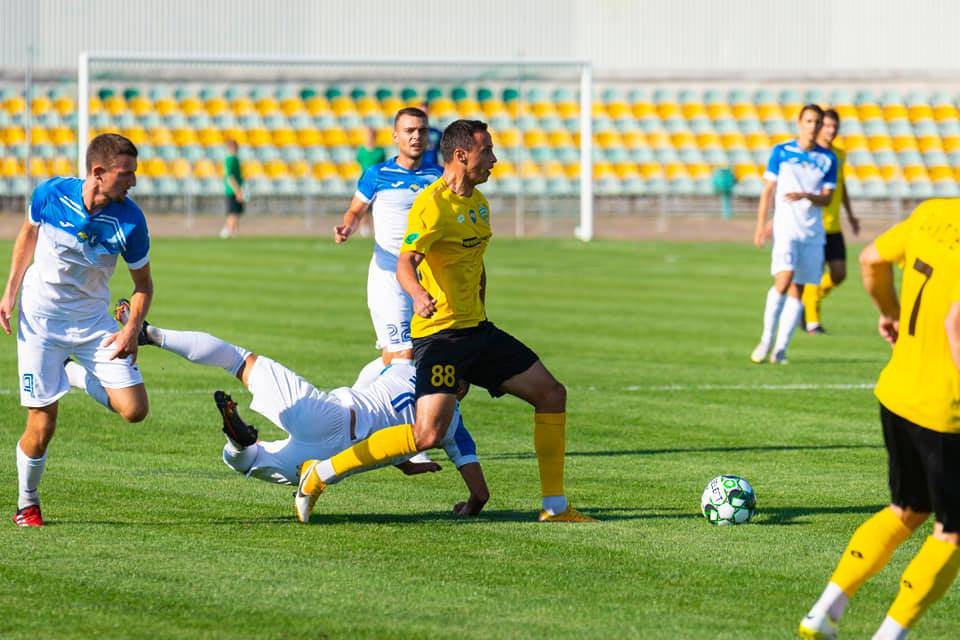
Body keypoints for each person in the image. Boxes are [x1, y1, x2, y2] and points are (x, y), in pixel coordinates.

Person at [295, 119, 593, 524]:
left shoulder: (479, 204)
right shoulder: (431, 205)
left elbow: (476, 266)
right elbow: (406, 263)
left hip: (478, 331)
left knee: (552, 394)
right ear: (461, 155)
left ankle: (554, 507)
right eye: (487, 151)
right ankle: (320, 473)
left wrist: (481, 313)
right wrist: (418, 296)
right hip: (441, 338)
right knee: (427, 435)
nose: (494, 159)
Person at [112, 300, 488, 515]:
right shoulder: (451, 425)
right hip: (329, 463)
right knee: (248, 463)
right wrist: (467, 506)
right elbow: (480, 493)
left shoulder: (405, 366)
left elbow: (383, 407)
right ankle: (239, 444)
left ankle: (149, 334)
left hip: (330, 415)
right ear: (461, 388)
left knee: (238, 360)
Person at [798, 199, 960, 640]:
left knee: (906, 510)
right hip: (946, 411)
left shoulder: (932, 213)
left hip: (897, 391)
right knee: (951, 534)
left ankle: (824, 612)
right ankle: (890, 634)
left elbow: (871, 259)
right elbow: (957, 322)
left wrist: (890, 313)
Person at [1, 133, 152, 527]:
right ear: (98, 172)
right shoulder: (50, 194)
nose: (133, 181)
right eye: (126, 173)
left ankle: (73, 373)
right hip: (41, 322)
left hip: (92, 324)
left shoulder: (131, 221)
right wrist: (10, 289)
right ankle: (27, 503)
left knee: (134, 410)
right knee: (42, 424)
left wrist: (131, 329)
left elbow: (143, 286)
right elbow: (28, 233)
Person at [334, 108, 442, 387]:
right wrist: (347, 227)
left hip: (425, 277)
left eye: (421, 130)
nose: (416, 136)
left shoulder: (439, 178)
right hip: (389, 275)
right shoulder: (377, 174)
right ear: (396, 136)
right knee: (405, 353)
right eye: (409, 131)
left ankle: (352, 399)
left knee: (394, 355)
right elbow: (355, 210)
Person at [751, 104, 838, 364]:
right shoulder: (782, 151)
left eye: (817, 122)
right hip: (786, 226)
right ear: (799, 123)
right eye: (808, 121)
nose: (813, 126)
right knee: (784, 277)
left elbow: (827, 198)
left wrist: (806, 196)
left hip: (811, 231)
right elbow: (768, 190)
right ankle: (766, 338)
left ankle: (780, 348)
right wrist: (760, 226)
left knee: (798, 288)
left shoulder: (828, 158)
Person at [801, 108, 861, 334]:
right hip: (814, 224)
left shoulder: (839, 155)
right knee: (813, 274)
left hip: (834, 225)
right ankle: (812, 322)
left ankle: (809, 300)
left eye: (835, 126)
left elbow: (841, 186)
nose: (831, 130)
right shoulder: (811, 156)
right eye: (827, 125)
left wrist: (851, 215)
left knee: (839, 274)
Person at [220, 139, 244, 239]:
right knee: (233, 213)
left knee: (236, 213)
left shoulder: (235, 159)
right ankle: (227, 232)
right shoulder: (230, 160)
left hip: (237, 189)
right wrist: (237, 191)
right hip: (232, 191)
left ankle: (229, 232)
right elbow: (230, 177)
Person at [419, 102, 444, 169]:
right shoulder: (412, 132)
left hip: (433, 168)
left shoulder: (436, 132)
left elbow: (443, 151)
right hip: (417, 169)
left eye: (424, 113)